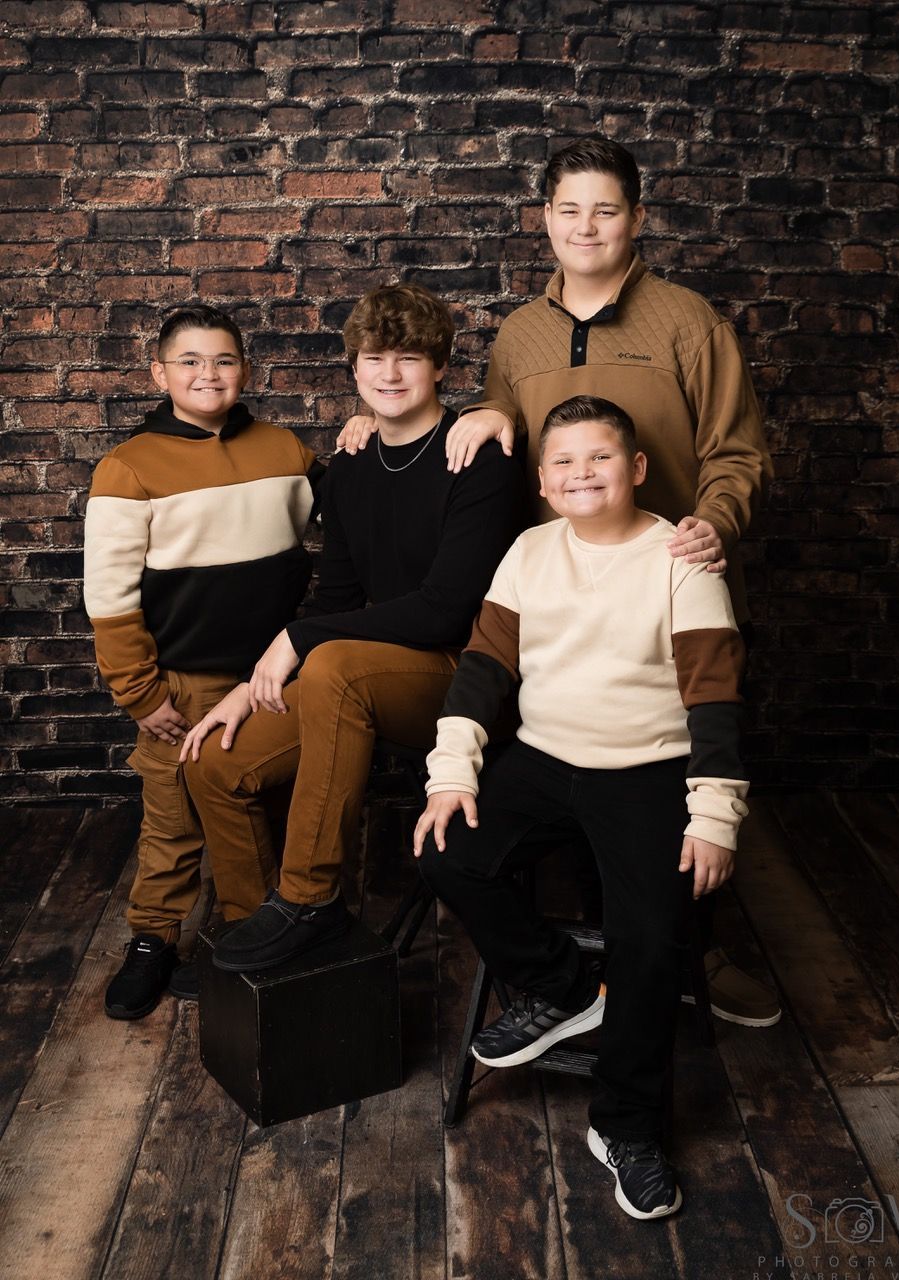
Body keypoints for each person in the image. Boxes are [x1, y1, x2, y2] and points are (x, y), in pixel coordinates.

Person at [340, 134, 778, 1027]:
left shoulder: (689, 321)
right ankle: (585, 981)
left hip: (668, 582)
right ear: (545, 221)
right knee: (563, 789)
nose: (587, 226)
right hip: (557, 598)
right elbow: (501, 432)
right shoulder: (522, 332)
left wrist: (713, 524)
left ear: (637, 220)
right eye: (569, 209)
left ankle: (696, 951)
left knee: (671, 796)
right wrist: (396, 420)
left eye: (607, 209)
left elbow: (737, 450)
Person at [413, 396, 750, 1220]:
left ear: (635, 468)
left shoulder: (681, 556)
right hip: (542, 757)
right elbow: (483, 670)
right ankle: (564, 988)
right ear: (542, 481)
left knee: (651, 937)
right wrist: (452, 772)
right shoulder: (529, 551)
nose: (581, 474)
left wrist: (713, 816)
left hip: (648, 768)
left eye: (599, 458)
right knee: (443, 851)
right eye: (563, 462)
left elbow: (713, 699)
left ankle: (626, 1126)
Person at [179, 284, 526, 972]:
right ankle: (257, 944)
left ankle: (310, 902)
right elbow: (335, 596)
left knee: (335, 664)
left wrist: (299, 642)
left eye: (409, 358)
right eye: (374, 359)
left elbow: (447, 610)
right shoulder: (352, 465)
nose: (390, 374)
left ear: (441, 367)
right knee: (218, 761)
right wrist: (252, 687)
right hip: (365, 681)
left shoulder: (480, 459)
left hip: (465, 675)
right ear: (354, 368)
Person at [84, 305, 321, 1020]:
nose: (207, 374)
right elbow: (111, 595)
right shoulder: (129, 467)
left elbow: (351, 528)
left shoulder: (286, 450)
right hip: (183, 681)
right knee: (172, 819)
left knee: (266, 806)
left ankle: (251, 929)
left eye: (222, 360)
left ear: (245, 370)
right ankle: (154, 939)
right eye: (189, 361)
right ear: (159, 373)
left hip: (272, 675)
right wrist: (139, 691)